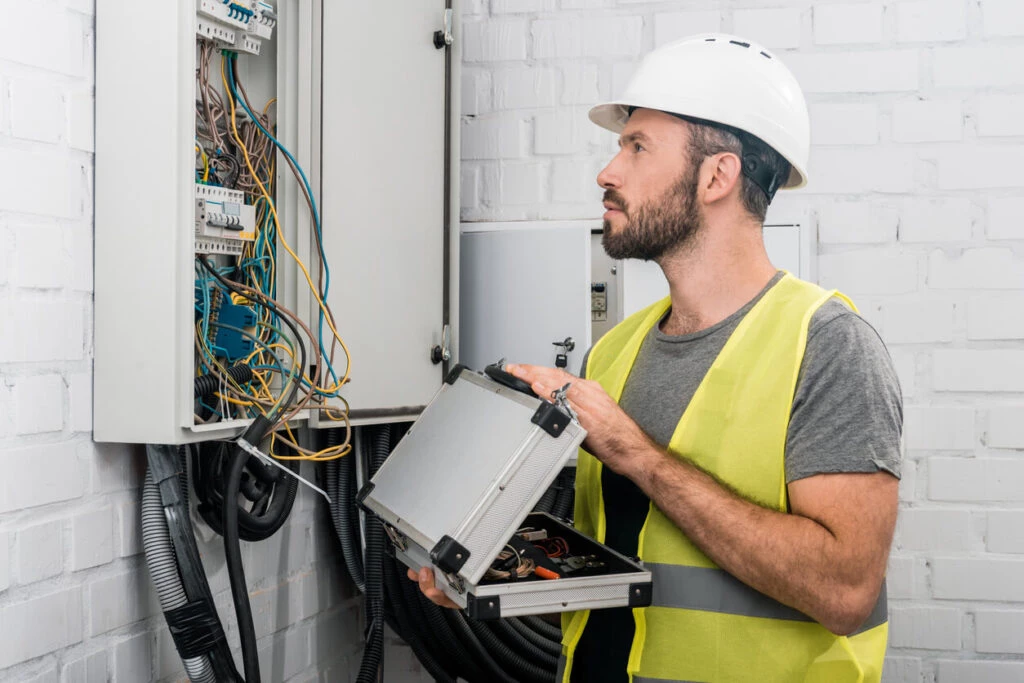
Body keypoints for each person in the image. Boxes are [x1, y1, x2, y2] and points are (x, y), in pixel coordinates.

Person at [412, 33, 902, 683]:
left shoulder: (829, 347)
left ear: (717, 176)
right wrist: (490, 566)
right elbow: (633, 570)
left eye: (637, 146)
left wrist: (634, 451)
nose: (608, 171)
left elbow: (845, 592)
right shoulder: (615, 350)